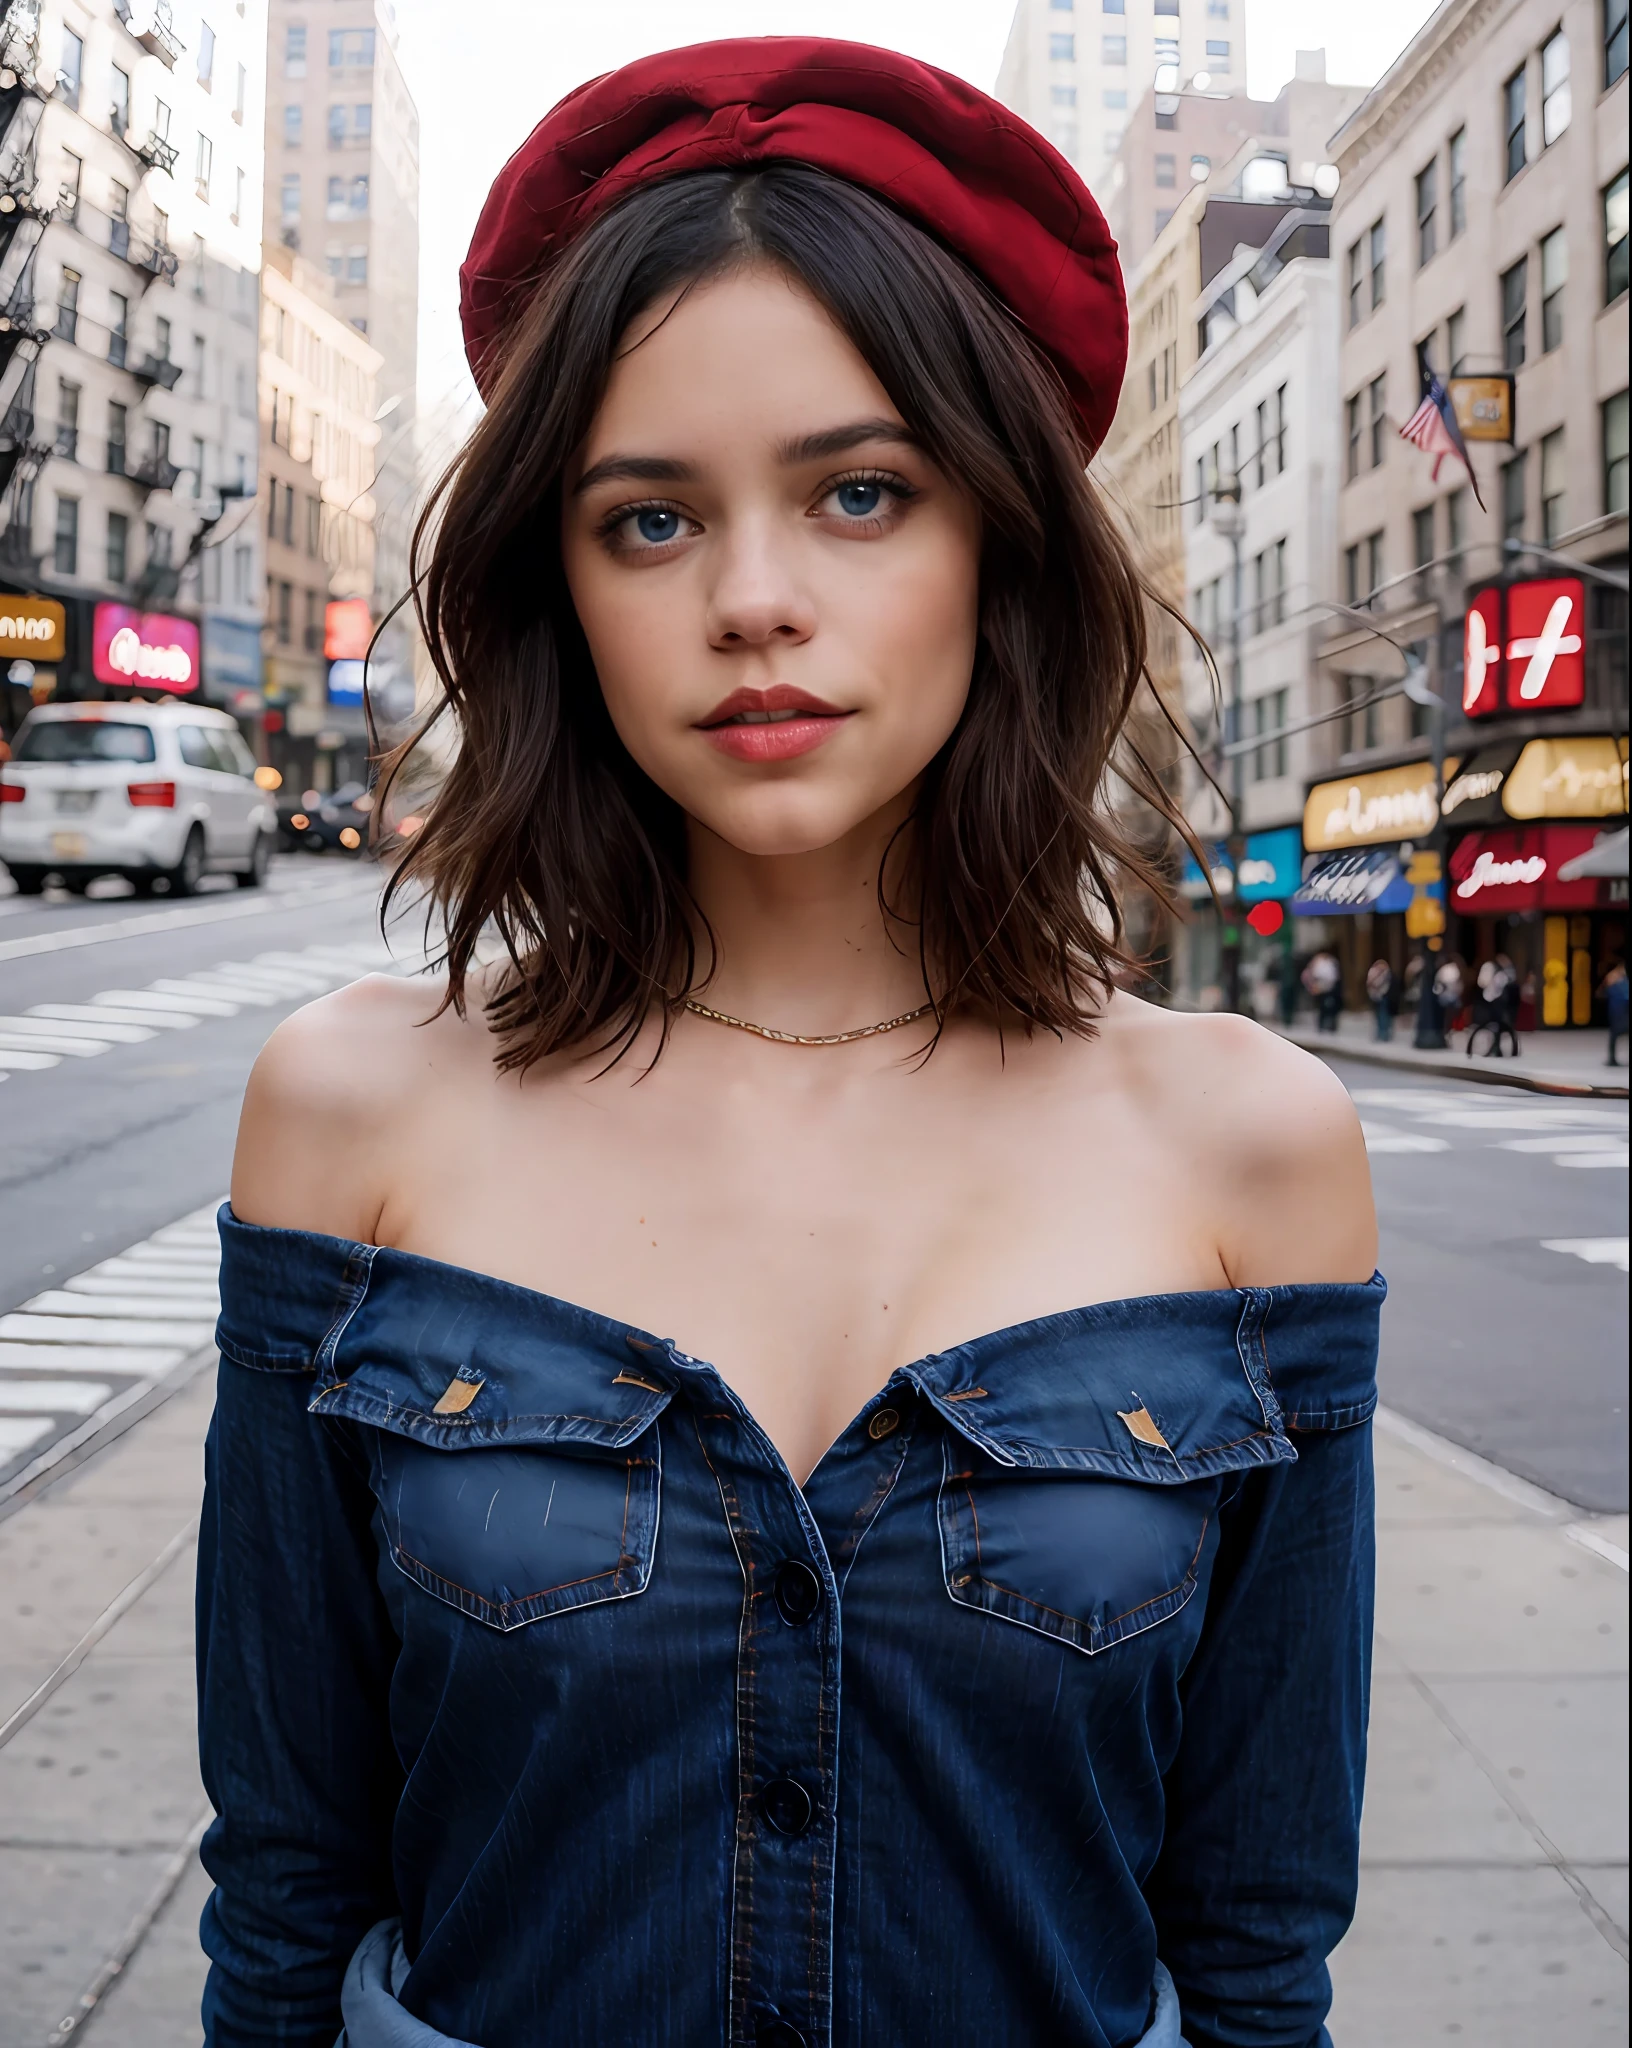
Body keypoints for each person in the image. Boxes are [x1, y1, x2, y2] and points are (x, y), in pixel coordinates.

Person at [199, 42, 1381, 2048]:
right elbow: (291, 1891)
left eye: (858, 492)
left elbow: (1257, 1938)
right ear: (556, 589)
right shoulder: (355, 1108)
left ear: (998, 539)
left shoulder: (1250, 1147)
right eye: (649, 520)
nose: (754, 600)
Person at [1302, 947, 1343, 1033]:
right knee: (1322, 1008)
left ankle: (1331, 1025)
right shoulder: (1316, 962)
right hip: (1319, 988)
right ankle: (1321, 1025)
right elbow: (1307, 975)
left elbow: (1335, 975)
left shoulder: (1331, 962)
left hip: (1330, 988)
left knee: (1331, 1007)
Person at [1603, 960, 1629, 1068]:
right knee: (1615, 1036)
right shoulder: (1619, 984)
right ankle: (1612, 1058)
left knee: (1614, 1036)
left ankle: (1612, 1058)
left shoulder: (1621, 984)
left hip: (1619, 1014)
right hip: (1620, 1013)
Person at [1365, 956, 1395, 1042]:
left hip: (1384, 996)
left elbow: (1387, 985)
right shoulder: (1373, 972)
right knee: (1378, 1016)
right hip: (1375, 996)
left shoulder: (1386, 974)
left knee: (1384, 1015)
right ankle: (1380, 1033)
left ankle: (1384, 1034)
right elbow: (1369, 983)